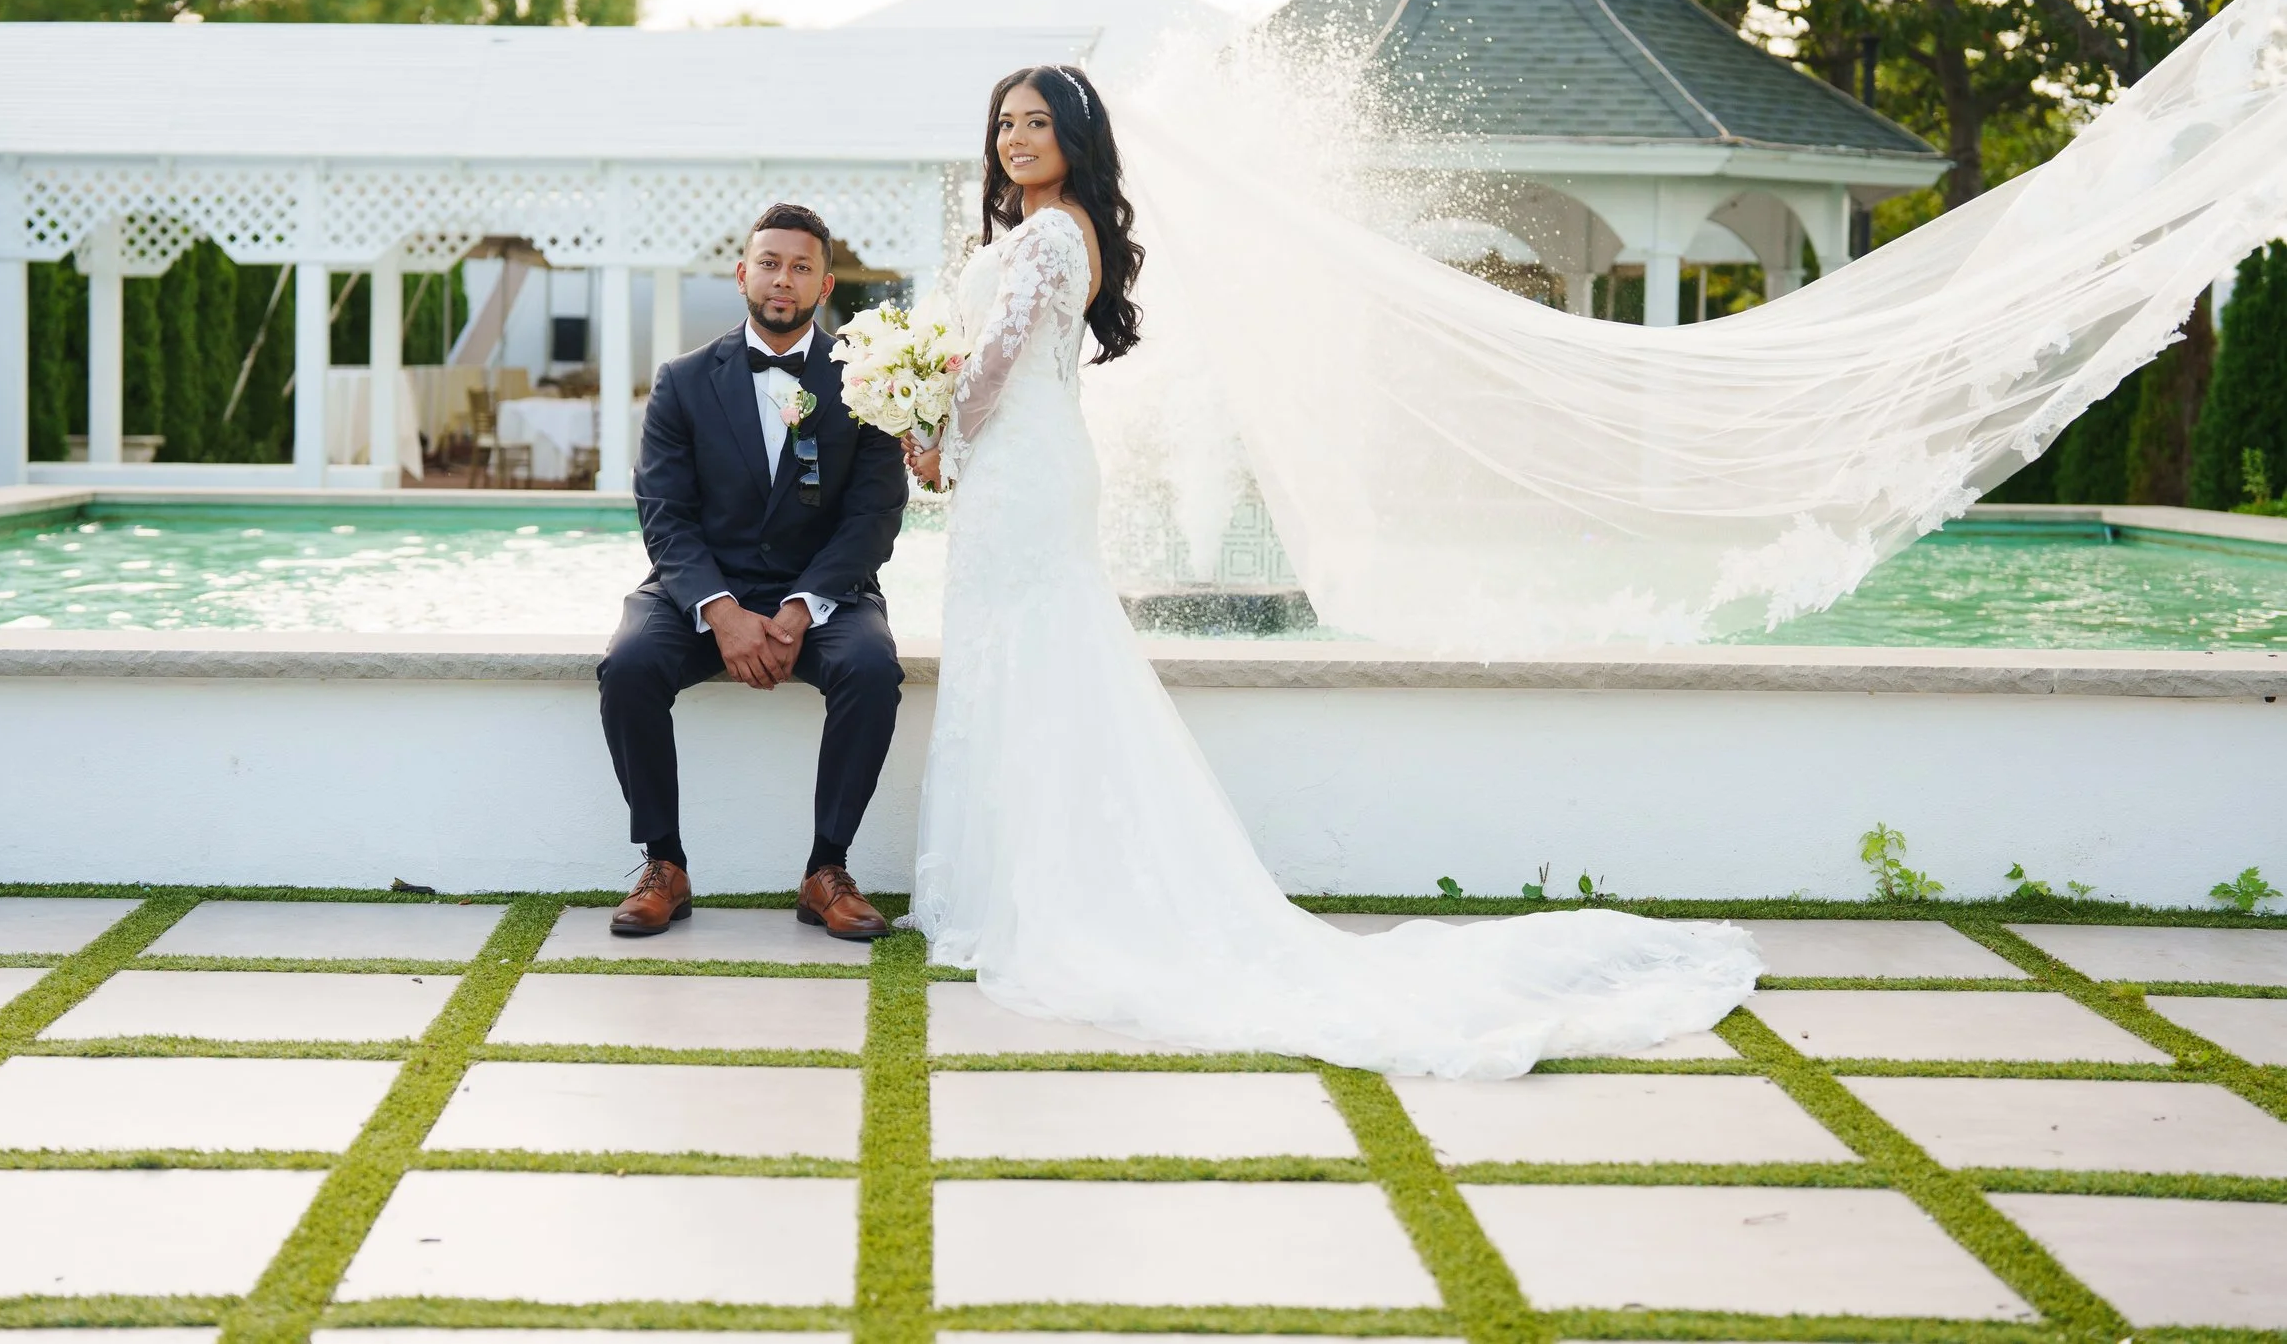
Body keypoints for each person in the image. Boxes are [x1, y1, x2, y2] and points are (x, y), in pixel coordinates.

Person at [900, 66, 1763, 1077]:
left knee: (1032, 663)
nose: (1015, 138)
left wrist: (938, 437)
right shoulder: (1055, 229)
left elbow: (997, 358)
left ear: (1073, 137)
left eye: (1037, 123)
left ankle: (1041, 899)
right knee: (1038, 667)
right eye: (1005, 123)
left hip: (1021, 472)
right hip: (1027, 465)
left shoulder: (1051, 233)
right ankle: (1031, 882)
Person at [598, 203, 909, 941]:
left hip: (825, 592)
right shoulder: (681, 381)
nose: (782, 280)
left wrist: (802, 606)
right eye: (769, 263)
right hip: (703, 590)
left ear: (825, 285)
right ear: (743, 274)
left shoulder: (868, 384)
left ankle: (826, 869)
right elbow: (664, 513)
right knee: (629, 666)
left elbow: (874, 515)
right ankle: (664, 864)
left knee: (872, 670)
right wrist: (721, 610)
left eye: (801, 268)